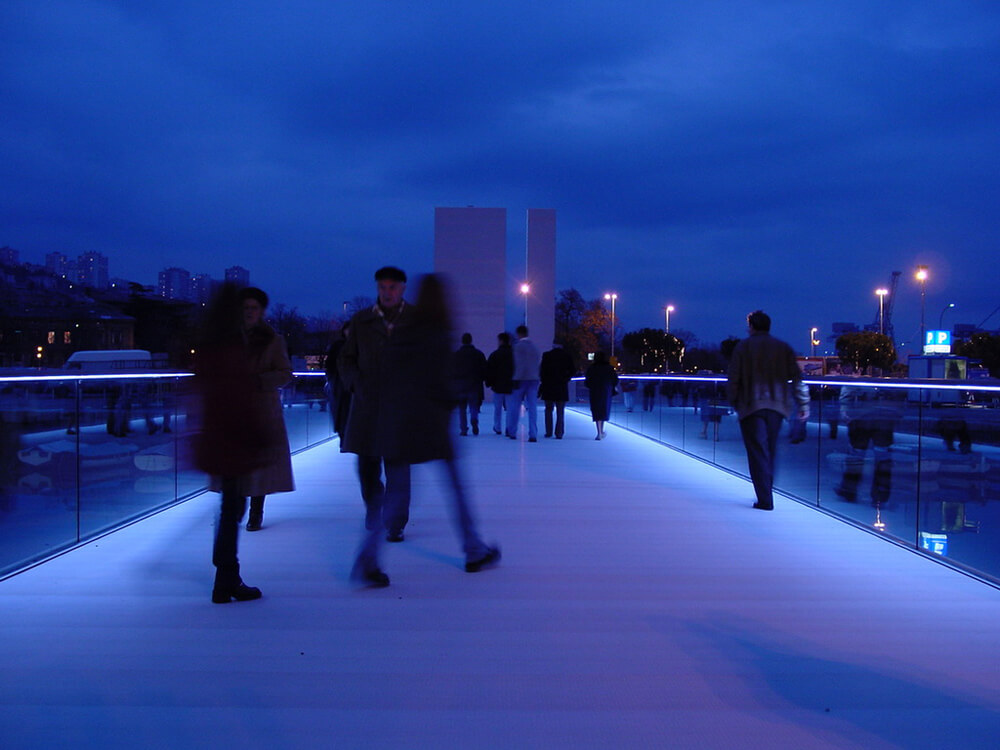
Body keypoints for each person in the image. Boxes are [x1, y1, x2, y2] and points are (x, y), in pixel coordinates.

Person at [351, 274, 501, 587]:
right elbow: (440, 383)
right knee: (457, 490)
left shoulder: (403, 331)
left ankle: (368, 556)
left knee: (396, 496)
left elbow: (387, 375)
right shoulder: (438, 334)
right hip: (430, 426)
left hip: (396, 425)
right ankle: (473, 550)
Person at [192, 284, 268, 603]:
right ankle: (226, 578)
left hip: (217, 434)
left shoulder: (211, 340)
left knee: (230, 507)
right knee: (231, 508)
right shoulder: (231, 343)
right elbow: (236, 393)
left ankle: (226, 578)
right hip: (233, 435)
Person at [339, 266, 416, 544]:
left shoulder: (416, 320)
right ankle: (374, 510)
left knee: (398, 468)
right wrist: (356, 383)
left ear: (402, 288)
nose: (387, 292)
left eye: (392, 287)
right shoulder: (362, 321)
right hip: (367, 404)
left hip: (400, 406)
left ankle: (395, 522)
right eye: (382, 287)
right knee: (367, 467)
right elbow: (346, 359)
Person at [223, 286, 295, 532]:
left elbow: (286, 373)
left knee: (259, 464)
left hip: (262, 409)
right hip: (233, 409)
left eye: (254, 308)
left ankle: (256, 511)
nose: (249, 312)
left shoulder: (273, 341)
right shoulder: (228, 339)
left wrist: (259, 381)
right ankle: (238, 505)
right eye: (246, 308)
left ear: (262, 311)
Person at [726, 310, 810, 511]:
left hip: (751, 406)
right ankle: (768, 491)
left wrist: (735, 403)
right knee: (770, 450)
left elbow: (733, 379)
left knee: (757, 452)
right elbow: (797, 379)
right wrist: (803, 405)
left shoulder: (743, 347)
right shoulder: (783, 348)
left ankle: (765, 498)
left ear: (751, 326)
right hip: (778, 406)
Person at [507, 325, 541, 441]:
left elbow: (518, 364)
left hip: (520, 379)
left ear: (519, 334)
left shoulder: (517, 347)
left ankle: (512, 431)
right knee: (532, 407)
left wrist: (516, 378)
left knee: (515, 406)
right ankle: (533, 433)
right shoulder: (535, 348)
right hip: (533, 379)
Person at [539, 340, 575, 439]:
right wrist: (566, 378)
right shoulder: (567, 356)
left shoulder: (546, 355)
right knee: (560, 411)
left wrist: (543, 382)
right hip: (561, 386)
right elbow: (572, 371)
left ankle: (548, 431)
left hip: (548, 386)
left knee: (548, 409)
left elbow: (542, 371)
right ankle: (559, 432)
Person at [453, 332, 487, 436]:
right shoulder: (479, 354)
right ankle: (474, 418)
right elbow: (484, 369)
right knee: (474, 406)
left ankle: (464, 429)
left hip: (460, 385)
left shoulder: (456, 355)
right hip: (474, 384)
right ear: (471, 340)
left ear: (462, 341)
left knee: (462, 408)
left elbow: (451, 370)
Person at [324, 322, 351, 439]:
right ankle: (344, 436)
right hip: (339, 383)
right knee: (342, 411)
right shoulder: (338, 346)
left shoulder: (360, 345)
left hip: (347, 383)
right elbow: (329, 364)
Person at [485, 332, 514, 435]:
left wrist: (489, 382)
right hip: (510, 385)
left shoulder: (495, 354)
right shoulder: (513, 354)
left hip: (497, 385)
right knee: (510, 408)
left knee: (498, 408)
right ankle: (509, 428)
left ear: (501, 341)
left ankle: (497, 427)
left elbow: (490, 370)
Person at [584, 351, 618, 440]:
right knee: (604, 410)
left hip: (595, 391)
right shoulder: (609, 368)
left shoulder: (592, 368)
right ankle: (601, 431)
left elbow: (587, 381)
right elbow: (615, 380)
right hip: (606, 391)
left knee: (596, 410)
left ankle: (599, 431)